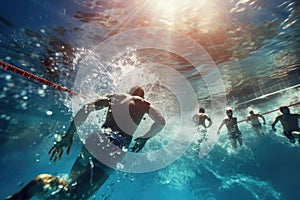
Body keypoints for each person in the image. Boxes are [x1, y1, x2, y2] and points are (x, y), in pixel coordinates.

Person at [6, 86, 166, 200]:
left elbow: (87, 108)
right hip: (114, 147)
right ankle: (39, 183)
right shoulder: (144, 104)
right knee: (74, 197)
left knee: (69, 184)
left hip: (97, 138)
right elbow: (161, 122)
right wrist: (145, 137)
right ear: (142, 96)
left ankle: (26, 193)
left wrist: (68, 136)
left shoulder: (115, 96)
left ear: (129, 92)